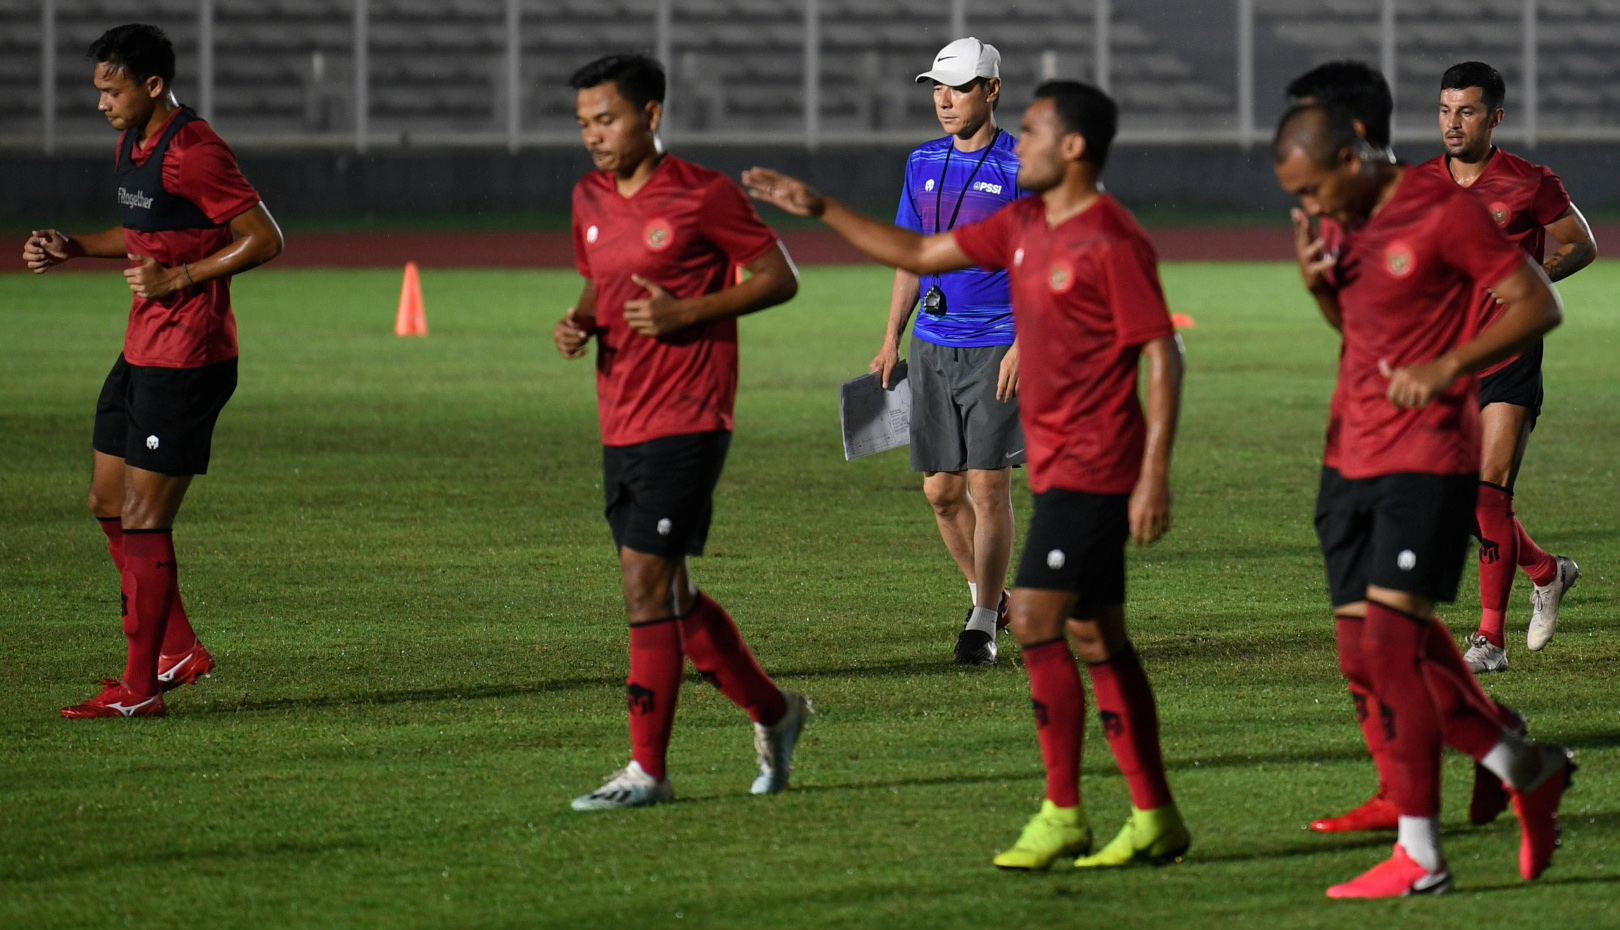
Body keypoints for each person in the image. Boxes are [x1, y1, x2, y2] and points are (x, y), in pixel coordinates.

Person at [745, 79, 1190, 871]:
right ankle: (1153, 814)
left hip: (1094, 464)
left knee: (1040, 624)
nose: (1024, 139)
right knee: (1097, 638)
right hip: (1056, 459)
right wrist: (819, 209)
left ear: (1074, 148)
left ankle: (1063, 811)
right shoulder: (1023, 222)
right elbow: (916, 253)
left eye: (1037, 129)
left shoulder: (1109, 238)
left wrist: (1153, 472)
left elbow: (1164, 353)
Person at [1274, 101, 1575, 897]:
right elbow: (1365, 337)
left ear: (1347, 156)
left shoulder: (1441, 209)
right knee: (1363, 652)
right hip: (1350, 454)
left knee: (1386, 648)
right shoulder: (1347, 225)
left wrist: (1447, 369)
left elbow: (1541, 301)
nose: (1311, 212)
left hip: (1427, 453)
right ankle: (1521, 762)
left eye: (1313, 191)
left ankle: (1422, 855)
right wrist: (1319, 292)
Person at [552, 53, 811, 811]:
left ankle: (647, 771)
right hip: (620, 412)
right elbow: (600, 284)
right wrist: (581, 321)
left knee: (643, 582)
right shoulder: (588, 196)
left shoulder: (703, 195)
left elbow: (778, 276)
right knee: (673, 589)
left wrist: (685, 314)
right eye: (583, 124)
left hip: (691, 413)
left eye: (606, 120)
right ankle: (776, 711)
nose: (593, 137)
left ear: (651, 115)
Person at [23, 23, 284, 718]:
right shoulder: (133, 142)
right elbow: (142, 236)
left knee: (143, 514)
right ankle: (178, 649)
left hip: (189, 359)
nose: (102, 103)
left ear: (153, 86)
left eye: (112, 90)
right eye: (99, 90)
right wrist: (75, 245)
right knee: (107, 501)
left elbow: (265, 237)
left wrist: (183, 279)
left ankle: (140, 691)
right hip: (141, 351)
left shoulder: (194, 152)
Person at [1423, 61, 1595, 675]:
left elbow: (1581, 242)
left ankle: (1488, 642)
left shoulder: (1529, 181)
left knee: (1491, 492)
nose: (1453, 122)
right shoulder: (1419, 184)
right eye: (1445, 109)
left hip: (1510, 357)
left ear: (1494, 117)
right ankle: (1547, 571)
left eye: (1466, 111)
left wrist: (1531, 279)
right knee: (1458, 501)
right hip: (1445, 361)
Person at [876, 37, 1024, 666]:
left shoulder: (1023, 168)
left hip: (997, 347)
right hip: (931, 346)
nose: (943, 99)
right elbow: (910, 257)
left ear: (991, 90)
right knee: (940, 491)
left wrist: (1025, 343)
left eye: (959, 87)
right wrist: (889, 339)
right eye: (936, 86)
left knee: (988, 487)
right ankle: (990, 597)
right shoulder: (921, 162)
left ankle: (982, 625)